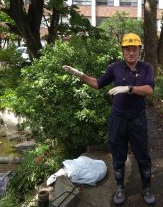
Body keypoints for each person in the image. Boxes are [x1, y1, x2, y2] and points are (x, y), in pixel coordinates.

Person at [62, 33, 155, 206]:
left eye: (134, 49)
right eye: (127, 50)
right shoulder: (115, 68)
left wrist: (129, 88)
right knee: (118, 156)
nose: (131, 53)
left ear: (140, 51)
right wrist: (80, 75)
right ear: (123, 51)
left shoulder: (146, 68)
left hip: (137, 120)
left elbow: (149, 89)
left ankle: (147, 188)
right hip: (118, 119)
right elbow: (97, 84)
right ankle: (120, 187)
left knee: (142, 155)